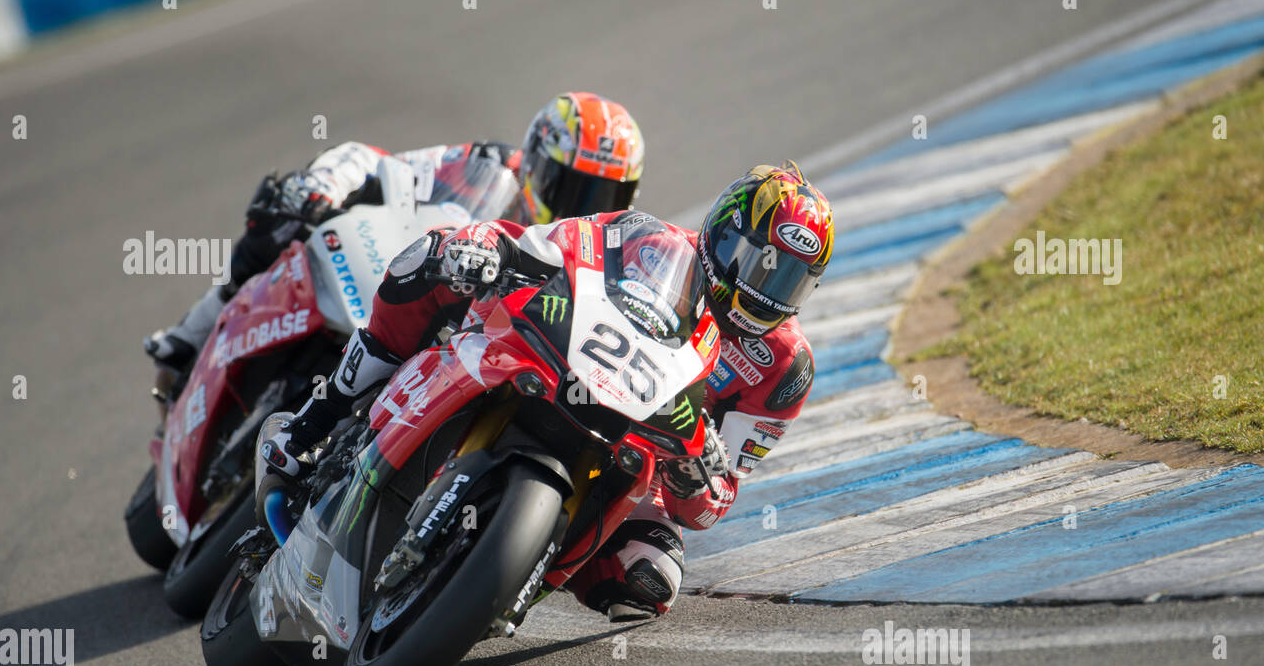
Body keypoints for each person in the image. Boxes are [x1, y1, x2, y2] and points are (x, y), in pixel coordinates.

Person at [261, 163, 835, 622]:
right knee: (426, 262)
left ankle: (495, 576)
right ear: (726, 234)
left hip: (641, 449)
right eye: (762, 266)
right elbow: (552, 244)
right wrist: (490, 249)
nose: (769, 291)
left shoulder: (786, 369)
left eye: (790, 279)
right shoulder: (653, 240)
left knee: (652, 580)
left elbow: (715, 500)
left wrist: (696, 478)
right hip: (551, 361)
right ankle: (316, 417)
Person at [142, 92, 645, 370]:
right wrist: (321, 187)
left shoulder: (588, 251)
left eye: (604, 198)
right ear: (538, 160)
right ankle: (194, 329)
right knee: (280, 214)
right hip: (382, 274)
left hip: (453, 352)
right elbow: (382, 166)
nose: (585, 207)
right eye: (576, 188)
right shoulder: (489, 168)